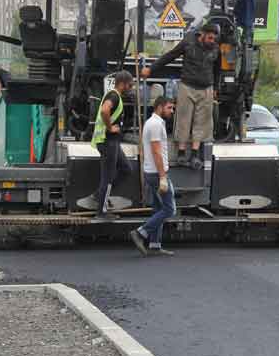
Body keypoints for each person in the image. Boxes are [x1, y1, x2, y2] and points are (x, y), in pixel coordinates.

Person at [141, 23, 220, 170]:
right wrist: (150, 69)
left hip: (206, 88)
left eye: (214, 38)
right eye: (210, 37)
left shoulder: (215, 47)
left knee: (201, 122)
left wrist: (216, 88)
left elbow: (217, 69)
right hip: (187, 86)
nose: (212, 41)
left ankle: (195, 154)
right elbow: (169, 56)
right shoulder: (188, 41)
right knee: (183, 119)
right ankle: (182, 152)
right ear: (202, 34)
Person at [81, 71, 135, 220]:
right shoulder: (114, 96)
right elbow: (105, 110)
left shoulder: (115, 96)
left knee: (126, 169)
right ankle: (101, 212)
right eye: (130, 85)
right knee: (108, 177)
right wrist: (110, 127)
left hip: (112, 142)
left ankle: (99, 195)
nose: (131, 88)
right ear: (122, 83)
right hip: (108, 141)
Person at [130, 96, 176, 257]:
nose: (172, 111)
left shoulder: (152, 123)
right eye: (169, 108)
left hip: (151, 172)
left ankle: (155, 245)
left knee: (158, 208)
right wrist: (163, 176)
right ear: (160, 107)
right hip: (157, 173)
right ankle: (140, 233)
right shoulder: (156, 125)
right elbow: (156, 152)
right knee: (170, 209)